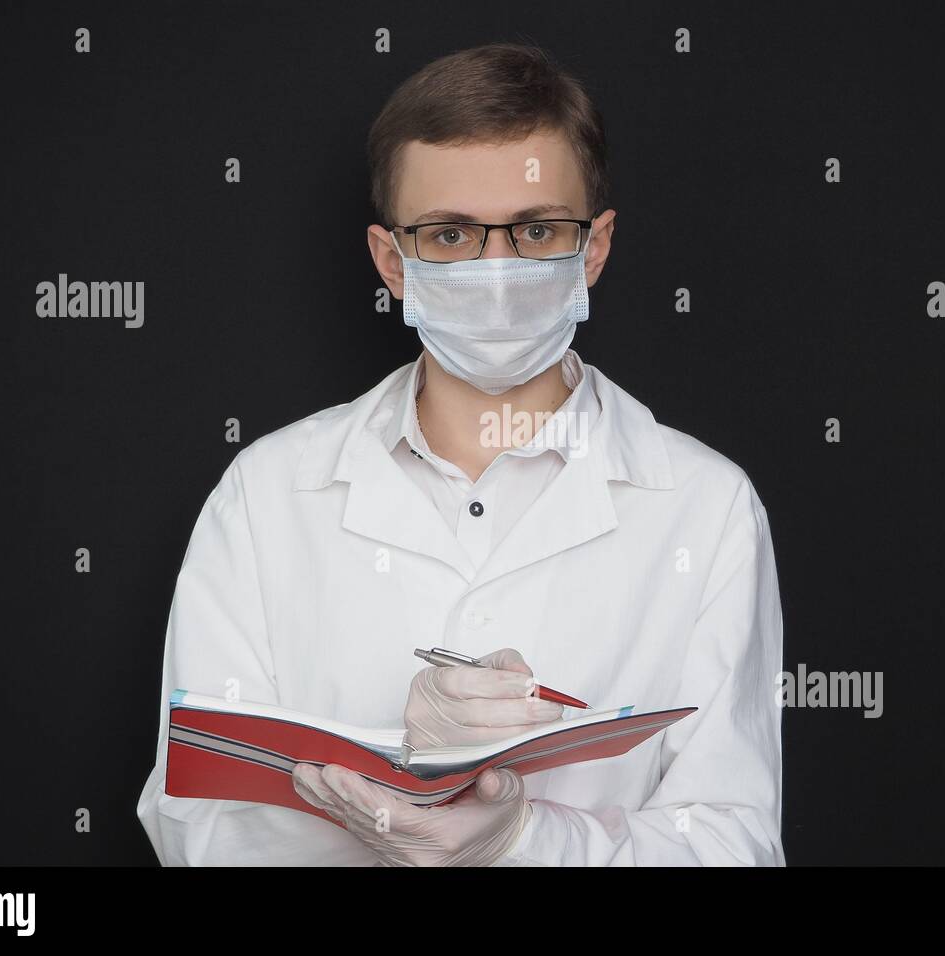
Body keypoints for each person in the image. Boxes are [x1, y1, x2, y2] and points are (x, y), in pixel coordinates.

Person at [136, 41, 785, 866]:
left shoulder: (707, 506)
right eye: (449, 236)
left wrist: (519, 838)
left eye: (537, 229)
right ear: (391, 261)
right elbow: (195, 818)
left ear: (594, 249)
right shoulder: (266, 496)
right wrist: (399, 813)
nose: (497, 270)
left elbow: (733, 844)